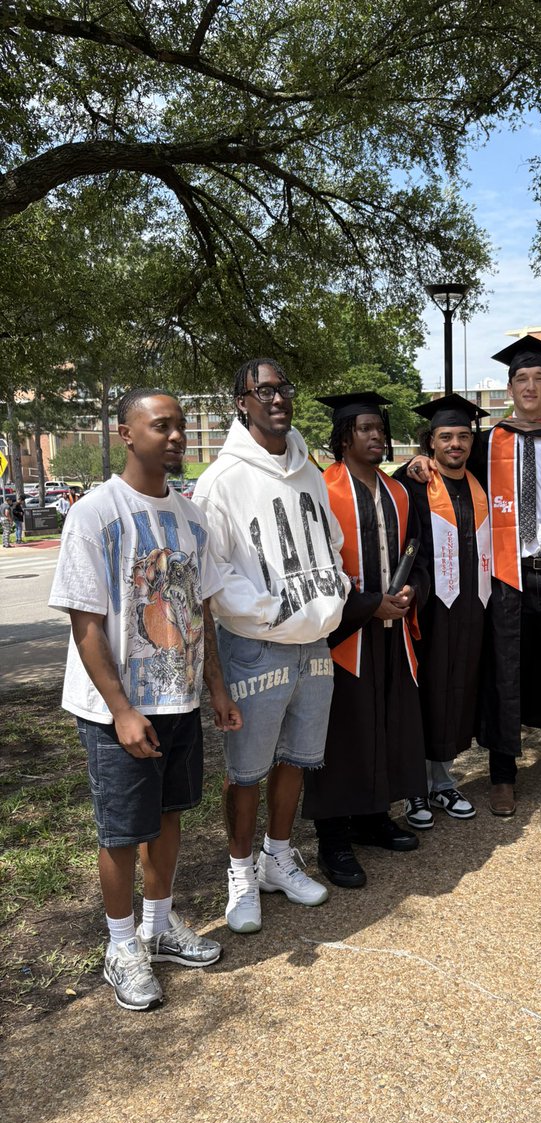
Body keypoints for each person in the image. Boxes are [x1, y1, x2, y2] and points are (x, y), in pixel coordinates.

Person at [48, 387, 242, 1011]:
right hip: (118, 710)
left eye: (182, 426)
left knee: (169, 817)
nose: (177, 436)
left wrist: (214, 688)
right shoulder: (96, 514)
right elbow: (85, 623)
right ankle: (121, 945)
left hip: (179, 700)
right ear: (128, 435)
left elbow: (202, 612)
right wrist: (121, 710)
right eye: (161, 426)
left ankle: (159, 927)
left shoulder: (191, 517)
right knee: (121, 831)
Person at [406, 336, 541, 818]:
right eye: (521, 378)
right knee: (504, 672)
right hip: (504, 579)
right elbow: (448, 467)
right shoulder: (487, 443)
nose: (530, 386)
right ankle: (503, 775)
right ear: (509, 386)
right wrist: (420, 463)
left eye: (539, 378)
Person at [192, 359, 347, 933]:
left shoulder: (307, 467)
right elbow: (213, 574)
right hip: (257, 646)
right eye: (265, 390)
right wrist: (272, 611)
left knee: (297, 759)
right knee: (247, 769)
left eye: (285, 387)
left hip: (314, 643)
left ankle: (277, 856)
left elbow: (328, 540)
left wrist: (332, 595)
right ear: (242, 401)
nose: (278, 398)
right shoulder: (221, 481)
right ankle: (239, 871)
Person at [302, 392, 427, 888]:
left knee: (384, 721)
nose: (376, 436)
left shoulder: (397, 493)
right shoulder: (323, 489)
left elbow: (412, 551)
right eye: (366, 429)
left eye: (381, 428)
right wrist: (365, 606)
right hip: (342, 633)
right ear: (344, 436)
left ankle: (373, 815)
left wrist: (409, 588)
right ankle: (333, 837)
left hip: (391, 629)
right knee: (339, 733)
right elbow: (316, 568)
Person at [394, 394, 492, 826]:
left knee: (457, 692)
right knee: (422, 695)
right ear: (430, 441)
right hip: (428, 609)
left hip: (471, 607)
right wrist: (409, 463)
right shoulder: (414, 483)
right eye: (445, 436)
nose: (456, 444)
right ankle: (415, 789)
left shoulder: (480, 482)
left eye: (463, 436)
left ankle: (443, 781)